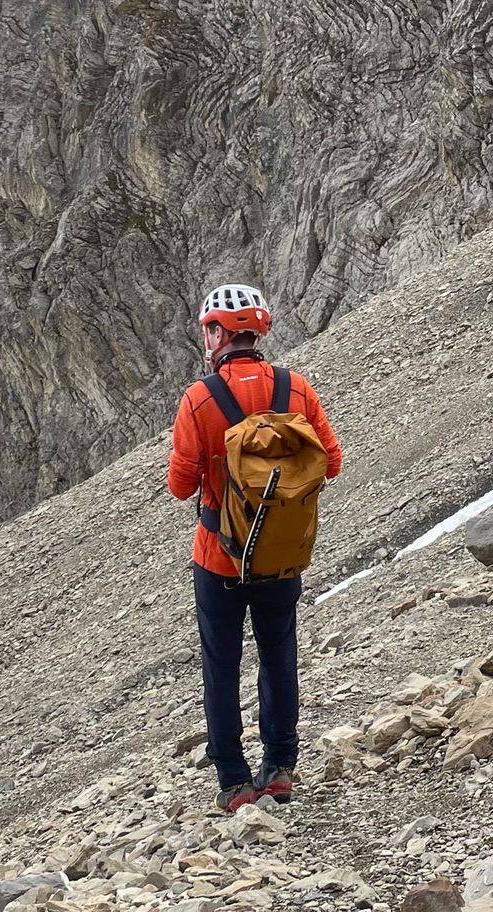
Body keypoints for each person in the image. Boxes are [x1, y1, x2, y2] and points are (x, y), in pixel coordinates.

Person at [167, 284, 343, 812]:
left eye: (208, 330)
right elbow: (331, 462)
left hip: (218, 556)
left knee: (221, 665)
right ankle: (280, 768)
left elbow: (180, 486)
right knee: (278, 654)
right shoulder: (296, 389)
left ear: (219, 334)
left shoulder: (199, 399)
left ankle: (234, 781)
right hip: (281, 555)